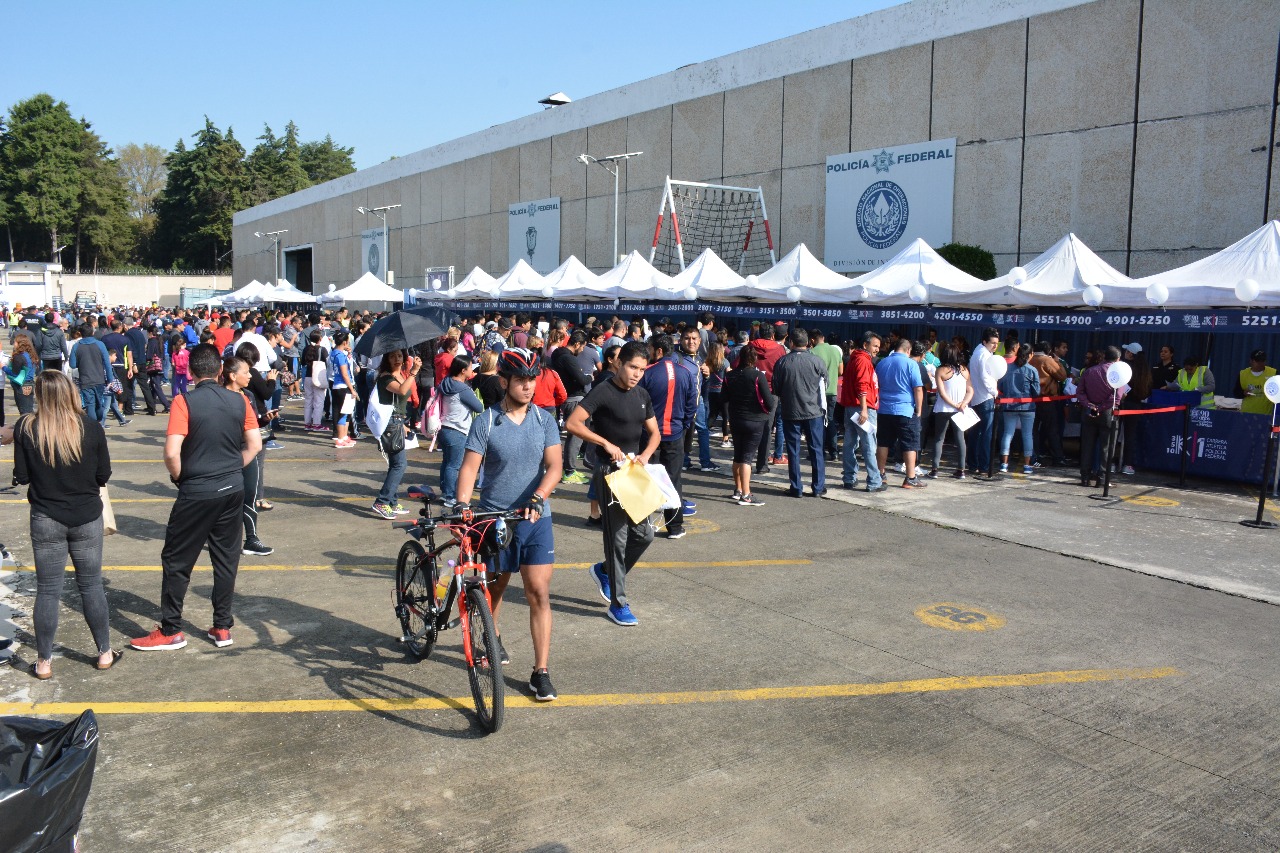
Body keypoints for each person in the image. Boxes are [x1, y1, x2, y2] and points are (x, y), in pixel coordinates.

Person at [131, 343, 261, 651]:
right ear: (219, 371)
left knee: (177, 560)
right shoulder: (239, 401)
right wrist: (231, 467)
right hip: (231, 489)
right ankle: (222, 627)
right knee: (226, 560)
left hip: (197, 490)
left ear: (190, 372)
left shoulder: (183, 402)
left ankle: (171, 629)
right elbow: (254, 445)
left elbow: (171, 452)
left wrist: (179, 475)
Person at [454, 348, 563, 700]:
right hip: (494, 519)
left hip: (535, 518)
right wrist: (461, 505)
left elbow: (555, 467)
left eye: (533, 379)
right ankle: (492, 636)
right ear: (504, 382)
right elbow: (470, 468)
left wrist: (539, 496)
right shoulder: (486, 421)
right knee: (495, 589)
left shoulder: (544, 420)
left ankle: (540, 672)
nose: (529, 386)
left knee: (539, 592)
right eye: (521, 380)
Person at [12, 371, 117, 679]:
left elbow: (23, 475)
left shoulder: (27, 428)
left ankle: (44, 661)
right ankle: (104, 652)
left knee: (47, 590)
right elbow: (103, 476)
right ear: (71, 392)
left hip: (46, 517)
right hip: (86, 516)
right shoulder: (91, 427)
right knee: (91, 585)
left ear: (40, 397)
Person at [566, 341, 660, 626]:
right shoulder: (603, 391)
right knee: (617, 540)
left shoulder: (642, 394)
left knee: (645, 534)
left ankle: (605, 570)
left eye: (642, 369)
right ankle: (618, 604)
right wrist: (604, 442)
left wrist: (645, 456)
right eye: (632, 367)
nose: (636, 374)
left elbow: (655, 433)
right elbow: (573, 423)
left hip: (633, 471)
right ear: (619, 363)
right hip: (610, 473)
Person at [638, 334, 698, 539]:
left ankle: (642, 526)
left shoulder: (648, 373)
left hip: (650, 434)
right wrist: (683, 425)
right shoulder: (687, 372)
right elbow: (692, 405)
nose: (648, 352)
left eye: (650, 348)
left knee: (645, 479)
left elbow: (639, 404)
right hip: (675, 433)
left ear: (659, 351)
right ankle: (675, 527)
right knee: (673, 480)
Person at [772, 329, 828, 498]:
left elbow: (776, 388)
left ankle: (796, 487)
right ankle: (818, 487)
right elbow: (824, 385)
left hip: (791, 411)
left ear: (791, 343)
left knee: (793, 450)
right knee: (816, 450)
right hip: (814, 412)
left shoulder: (782, 362)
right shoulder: (817, 361)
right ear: (808, 343)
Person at [370, 350, 420, 519]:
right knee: (400, 464)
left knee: (395, 464)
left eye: (399, 356)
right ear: (386, 359)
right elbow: (401, 390)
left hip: (397, 422)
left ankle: (391, 500)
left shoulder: (400, 374)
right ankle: (382, 501)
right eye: (392, 356)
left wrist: (404, 425)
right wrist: (413, 372)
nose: (397, 359)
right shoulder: (385, 377)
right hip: (390, 424)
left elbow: (403, 398)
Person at [722, 346, 774, 506]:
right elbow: (770, 402)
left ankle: (738, 490)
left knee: (738, 455)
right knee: (747, 457)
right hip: (755, 420)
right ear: (754, 359)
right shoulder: (758, 375)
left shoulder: (729, 375)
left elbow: (723, 398)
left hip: (736, 418)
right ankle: (746, 494)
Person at [875, 338, 927, 489]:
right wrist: (919, 409)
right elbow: (918, 389)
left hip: (884, 409)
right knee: (909, 444)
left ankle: (880, 474)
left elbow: (876, 385)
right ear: (908, 350)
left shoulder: (882, 363)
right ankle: (910, 478)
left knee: (883, 442)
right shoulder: (912, 364)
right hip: (905, 410)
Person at [549, 330, 595, 484]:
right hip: (573, 398)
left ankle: (569, 469)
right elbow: (581, 379)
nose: (582, 351)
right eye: (582, 347)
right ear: (576, 344)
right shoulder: (568, 358)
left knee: (575, 435)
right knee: (576, 436)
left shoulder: (557, 355)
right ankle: (570, 471)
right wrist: (589, 377)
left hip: (567, 397)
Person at [839, 331, 883, 492]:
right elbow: (862, 386)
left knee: (850, 443)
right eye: (875, 346)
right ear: (866, 345)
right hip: (862, 408)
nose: (877, 349)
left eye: (878, 346)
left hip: (851, 407)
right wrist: (864, 408)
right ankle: (874, 481)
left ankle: (849, 478)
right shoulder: (863, 361)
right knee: (869, 444)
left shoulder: (854, 359)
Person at [437, 355, 483, 504]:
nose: (472, 369)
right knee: (454, 465)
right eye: (470, 367)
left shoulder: (446, 382)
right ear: (463, 370)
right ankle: (450, 496)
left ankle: (445, 491)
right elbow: (479, 407)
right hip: (457, 430)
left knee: (447, 462)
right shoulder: (462, 388)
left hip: (443, 427)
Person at [1077, 346, 1122, 488]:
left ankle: (1085, 477)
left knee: (1087, 445)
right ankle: (1102, 478)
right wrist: (1101, 407)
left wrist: (1090, 405)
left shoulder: (1089, 371)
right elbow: (1116, 396)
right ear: (1118, 359)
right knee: (1107, 447)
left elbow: (1080, 392)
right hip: (1108, 413)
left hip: (1089, 412)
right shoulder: (1117, 374)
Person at [929, 344, 973, 479]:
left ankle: (935, 469)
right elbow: (970, 390)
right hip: (960, 410)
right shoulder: (964, 370)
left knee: (939, 438)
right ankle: (961, 470)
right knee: (960, 439)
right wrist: (963, 404)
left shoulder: (941, 370)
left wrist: (954, 404)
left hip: (943, 408)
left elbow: (942, 394)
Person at [996, 344, 1040, 474]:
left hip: (1009, 405)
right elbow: (1036, 392)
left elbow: (1001, 387)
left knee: (1007, 434)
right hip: (1028, 407)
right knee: (1027, 435)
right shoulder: (1032, 370)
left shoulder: (1007, 368)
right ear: (1030, 355)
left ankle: (1004, 464)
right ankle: (1027, 465)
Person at [967, 327, 1001, 476]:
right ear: (984, 341)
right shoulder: (984, 355)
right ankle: (984, 466)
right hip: (985, 397)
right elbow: (985, 377)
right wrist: (995, 393)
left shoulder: (977, 352)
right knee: (986, 435)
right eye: (992, 343)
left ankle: (973, 464)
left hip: (976, 397)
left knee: (975, 434)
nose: (995, 346)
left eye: (997, 343)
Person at [1029, 340, 1068, 466]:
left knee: (1033, 429)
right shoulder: (1047, 360)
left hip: (1032, 399)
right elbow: (1062, 376)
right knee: (1052, 429)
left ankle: (1034, 455)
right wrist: (1057, 361)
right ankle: (1057, 457)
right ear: (1048, 350)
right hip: (1047, 399)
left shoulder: (1030, 359)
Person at [69, 324, 113, 426]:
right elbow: (107, 362)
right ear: (93, 332)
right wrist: (110, 379)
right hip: (99, 379)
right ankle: (98, 421)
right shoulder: (100, 344)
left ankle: (94, 425)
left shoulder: (76, 346)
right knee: (99, 403)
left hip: (85, 380)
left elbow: (72, 364)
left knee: (90, 404)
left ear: (80, 333)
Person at [810, 329, 843, 461]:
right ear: (823, 337)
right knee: (830, 421)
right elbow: (841, 371)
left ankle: (820, 451)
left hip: (818, 393)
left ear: (812, 340)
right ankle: (834, 452)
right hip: (832, 392)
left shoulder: (812, 352)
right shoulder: (836, 350)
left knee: (818, 422)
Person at [1119, 344, 1152, 474]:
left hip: (1122, 404)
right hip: (1136, 406)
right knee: (1130, 436)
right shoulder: (1144, 371)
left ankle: (1109, 463)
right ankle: (1127, 464)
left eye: (1126, 351)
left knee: (1114, 433)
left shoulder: (1125, 367)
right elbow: (1147, 391)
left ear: (1130, 354)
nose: (1124, 353)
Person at [329, 330, 357, 447]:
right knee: (344, 413)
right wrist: (352, 389)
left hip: (336, 385)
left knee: (345, 413)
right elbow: (345, 374)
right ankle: (340, 439)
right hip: (343, 386)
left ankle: (344, 436)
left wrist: (349, 355)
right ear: (345, 342)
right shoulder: (340, 355)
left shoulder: (334, 353)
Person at [300, 329, 329, 431]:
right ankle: (317, 424)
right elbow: (328, 363)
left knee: (308, 401)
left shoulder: (306, 349)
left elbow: (303, 362)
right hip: (318, 378)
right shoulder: (322, 349)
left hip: (307, 377)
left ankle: (307, 424)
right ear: (320, 338)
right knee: (319, 401)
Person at [1234, 349, 1276, 416]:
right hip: (1246, 413)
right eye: (1257, 361)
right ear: (1251, 361)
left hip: (1265, 415)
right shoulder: (1243, 374)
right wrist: (1243, 393)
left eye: (1262, 361)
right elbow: (1236, 392)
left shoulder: (1273, 373)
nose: (1260, 364)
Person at [4, 334, 38, 416]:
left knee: (23, 411)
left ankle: (26, 427)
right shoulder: (30, 355)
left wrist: (3, 367)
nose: (13, 344)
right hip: (30, 383)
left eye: (15, 342)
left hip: (21, 385)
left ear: (20, 343)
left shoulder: (18, 356)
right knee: (29, 409)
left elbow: (14, 373)